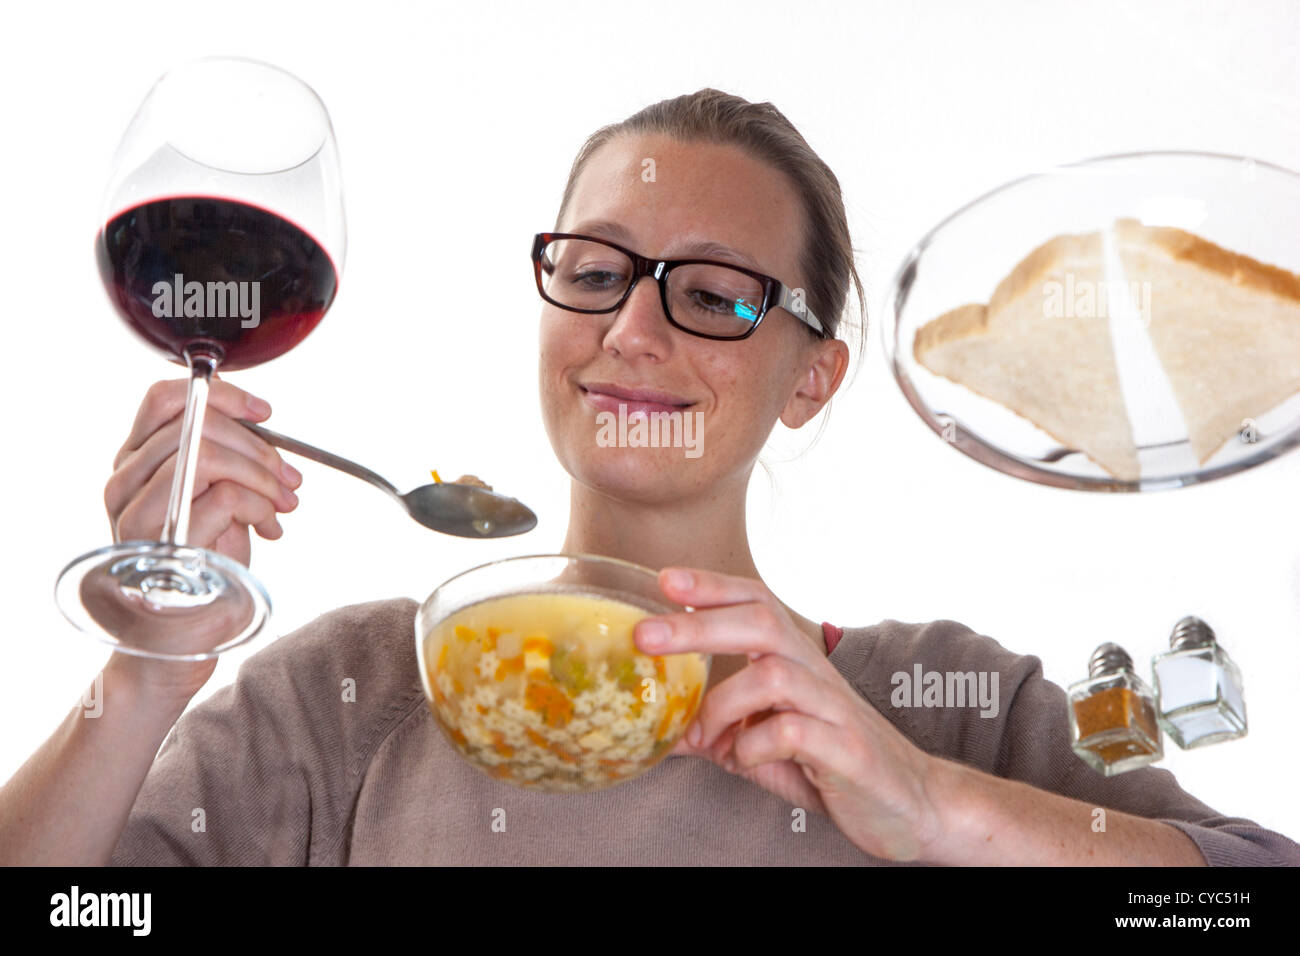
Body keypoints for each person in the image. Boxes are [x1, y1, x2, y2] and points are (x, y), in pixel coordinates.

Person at [3, 89, 1297, 866]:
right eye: (596, 268)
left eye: (718, 295)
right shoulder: (347, 701)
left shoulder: (937, 702)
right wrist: (143, 679)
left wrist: (935, 809)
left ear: (813, 378)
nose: (632, 329)